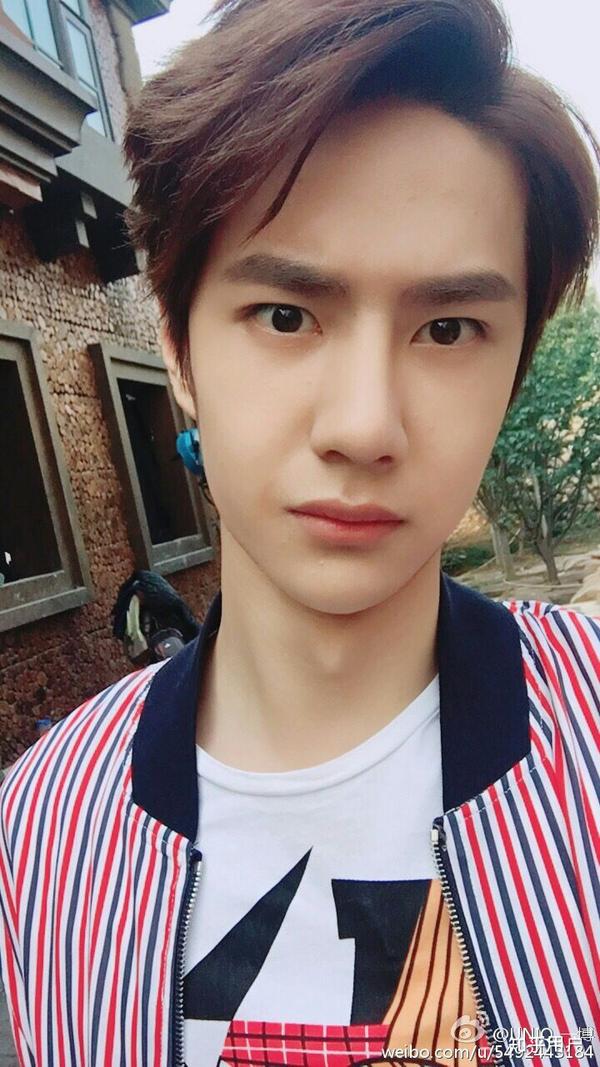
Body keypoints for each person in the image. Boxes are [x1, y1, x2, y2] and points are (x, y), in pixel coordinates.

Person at [1, 0, 599, 1064]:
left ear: (512, 368)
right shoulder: (41, 831)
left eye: (448, 328)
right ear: (179, 348)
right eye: (286, 316)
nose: (364, 425)